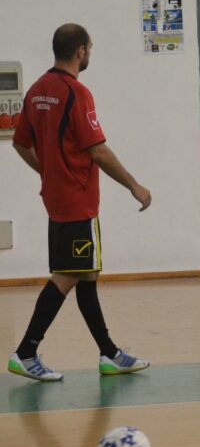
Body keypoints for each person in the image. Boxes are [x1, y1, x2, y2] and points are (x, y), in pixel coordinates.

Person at [8, 23, 152, 381]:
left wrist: (47, 172)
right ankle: (25, 352)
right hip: (78, 200)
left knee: (87, 273)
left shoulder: (37, 90)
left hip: (57, 197)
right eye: (90, 48)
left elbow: (20, 142)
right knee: (67, 275)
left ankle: (109, 353)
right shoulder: (77, 93)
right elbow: (98, 150)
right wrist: (134, 185)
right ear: (81, 52)